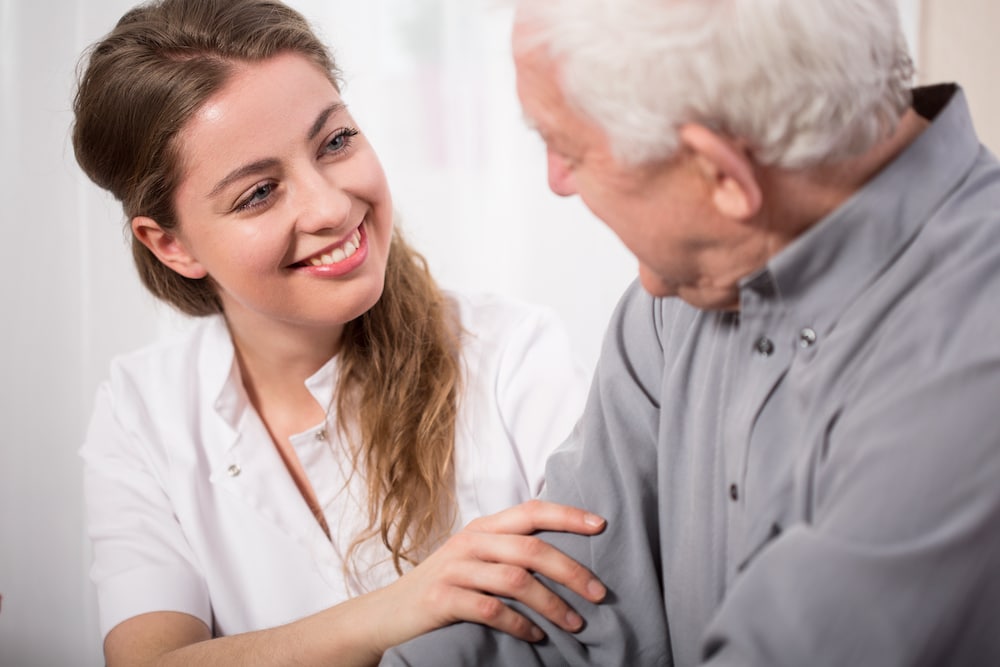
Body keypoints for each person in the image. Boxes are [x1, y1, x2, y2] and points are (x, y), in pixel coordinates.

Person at [380, 0, 1000, 665]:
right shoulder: (683, 293)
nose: (556, 182)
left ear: (722, 176)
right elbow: (545, 606)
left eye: (567, 147)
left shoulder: (971, 359)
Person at [72, 0, 610, 665]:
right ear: (171, 244)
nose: (330, 205)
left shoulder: (514, 357)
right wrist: (398, 607)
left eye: (335, 141)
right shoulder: (141, 410)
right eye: (259, 192)